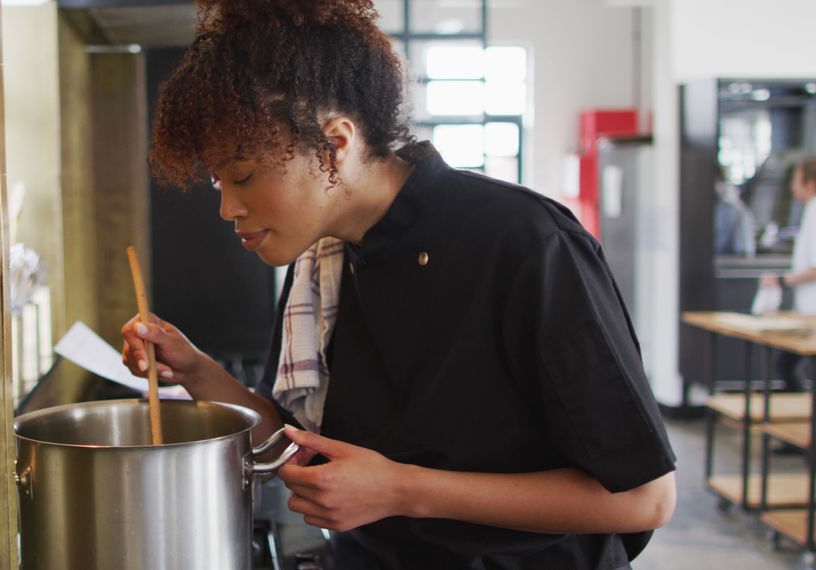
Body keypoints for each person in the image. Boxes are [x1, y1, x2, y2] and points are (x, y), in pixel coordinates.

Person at [121, 1, 676, 568]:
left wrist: (401, 489)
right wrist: (193, 370)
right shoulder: (325, 260)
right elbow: (300, 444)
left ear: (337, 142)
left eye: (243, 177)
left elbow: (643, 497)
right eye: (218, 182)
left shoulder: (523, 242)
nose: (227, 208)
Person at [761, 157, 816, 393]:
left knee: (787, 365)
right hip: (806, 311)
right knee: (786, 364)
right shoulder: (809, 211)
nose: (792, 187)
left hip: (812, 315)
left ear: (811, 183)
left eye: (796, 181)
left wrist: (781, 280)